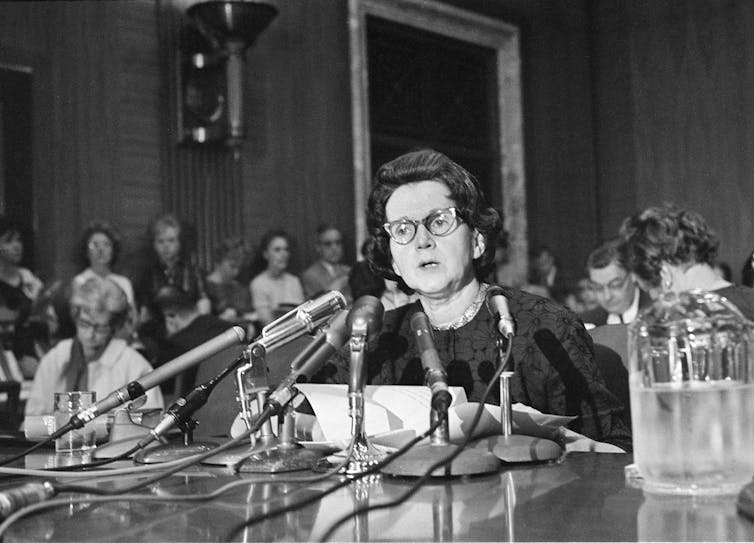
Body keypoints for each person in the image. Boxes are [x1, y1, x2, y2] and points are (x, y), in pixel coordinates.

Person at [315, 149, 631, 450]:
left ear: (477, 240)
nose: (422, 241)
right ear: (393, 259)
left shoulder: (546, 329)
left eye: (439, 222)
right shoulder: (375, 342)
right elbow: (311, 426)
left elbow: (616, 453)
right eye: (403, 230)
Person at [25, 276, 163, 416]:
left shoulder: (134, 365)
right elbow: (32, 416)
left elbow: (150, 421)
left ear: (113, 327)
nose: (90, 334)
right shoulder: (56, 358)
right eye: (85, 324)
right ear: (75, 316)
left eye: (100, 328)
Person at [619, 203, 754, 320]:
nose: (654, 298)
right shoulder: (748, 299)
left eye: (650, 290)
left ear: (665, 274)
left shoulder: (688, 325)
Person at [135, 213, 210, 360]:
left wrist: (192, 327)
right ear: (154, 245)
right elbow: (144, 315)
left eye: (171, 240)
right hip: (160, 336)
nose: (166, 246)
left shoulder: (194, 270)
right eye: (160, 241)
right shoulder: (148, 274)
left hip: (192, 331)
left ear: (179, 243)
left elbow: (204, 305)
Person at [154, 285, 237, 398]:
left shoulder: (174, 347)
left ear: (169, 316)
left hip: (200, 409)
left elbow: (160, 390)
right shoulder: (232, 331)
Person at [72, 221, 137, 341]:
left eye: (106, 244)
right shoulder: (80, 281)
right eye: (95, 245)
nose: (101, 249)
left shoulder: (124, 282)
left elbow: (132, 319)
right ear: (86, 251)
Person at [579, 238, 652, 328]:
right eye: (598, 288)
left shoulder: (657, 314)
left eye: (615, 285)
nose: (607, 296)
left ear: (633, 275)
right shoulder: (587, 324)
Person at [249, 229, 304, 326]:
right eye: (277, 250)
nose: (283, 254)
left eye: (286, 249)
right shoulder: (258, 283)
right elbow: (266, 322)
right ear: (266, 254)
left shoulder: (294, 281)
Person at [205, 237, 254, 329]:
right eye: (232, 266)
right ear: (219, 260)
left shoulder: (242, 289)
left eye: (239, 267)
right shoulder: (204, 286)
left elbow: (249, 315)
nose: (236, 271)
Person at [301, 224, 352, 301]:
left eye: (338, 242)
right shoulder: (310, 275)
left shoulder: (349, 271)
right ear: (318, 247)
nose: (334, 248)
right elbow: (316, 305)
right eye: (328, 244)